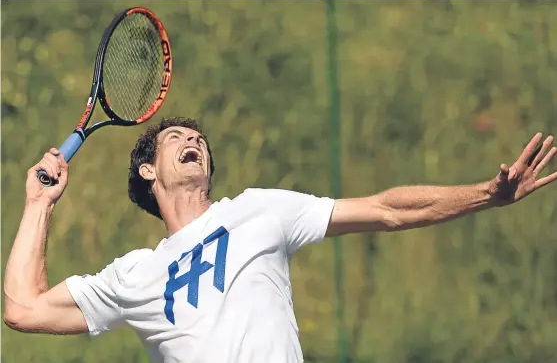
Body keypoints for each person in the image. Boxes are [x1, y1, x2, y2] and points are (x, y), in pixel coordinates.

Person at [4, 116, 556, 363]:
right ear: (148, 172)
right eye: (175, 137)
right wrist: (37, 204)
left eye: (198, 137)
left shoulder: (258, 211)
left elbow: (386, 209)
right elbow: (23, 308)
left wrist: (487, 194)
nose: (193, 138)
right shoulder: (136, 274)